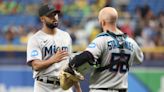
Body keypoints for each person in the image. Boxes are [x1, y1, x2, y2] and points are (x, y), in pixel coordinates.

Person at [64, 7, 144, 92]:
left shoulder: (102, 40)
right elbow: (140, 59)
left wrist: (70, 65)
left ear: (102, 22)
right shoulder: (131, 42)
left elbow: (87, 56)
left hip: (101, 89)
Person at [26, 4, 81, 92]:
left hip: (64, 86)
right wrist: (53, 59)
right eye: (50, 16)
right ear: (42, 19)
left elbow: (70, 66)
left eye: (55, 14)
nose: (54, 17)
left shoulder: (66, 36)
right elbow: (35, 65)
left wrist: (78, 88)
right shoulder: (35, 39)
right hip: (44, 86)